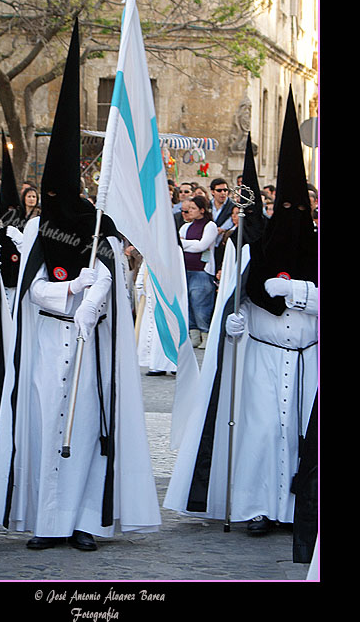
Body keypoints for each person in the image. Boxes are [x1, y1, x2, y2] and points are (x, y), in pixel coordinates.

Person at [0, 20, 161, 551]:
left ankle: (87, 519)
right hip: (47, 341)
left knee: (89, 427)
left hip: (90, 346)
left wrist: (98, 291)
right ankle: (46, 523)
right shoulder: (42, 228)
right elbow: (29, 286)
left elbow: (114, 265)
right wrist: (67, 293)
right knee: (44, 428)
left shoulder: (96, 223)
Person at [165, 93, 317, 557]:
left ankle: (296, 509)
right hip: (263, 359)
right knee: (261, 430)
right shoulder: (257, 254)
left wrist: (302, 293)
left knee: (299, 436)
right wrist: (233, 323)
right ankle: (255, 507)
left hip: (308, 362)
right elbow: (243, 296)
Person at [179, 195, 218, 349]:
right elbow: (179, 243)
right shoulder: (186, 227)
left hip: (202, 270)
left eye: (194, 208)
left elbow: (202, 246)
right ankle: (194, 334)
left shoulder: (210, 226)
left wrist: (186, 244)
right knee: (188, 302)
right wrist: (191, 244)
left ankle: (205, 334)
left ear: (202, 210)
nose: (191, 211)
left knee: (200, 303)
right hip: (186, 268)